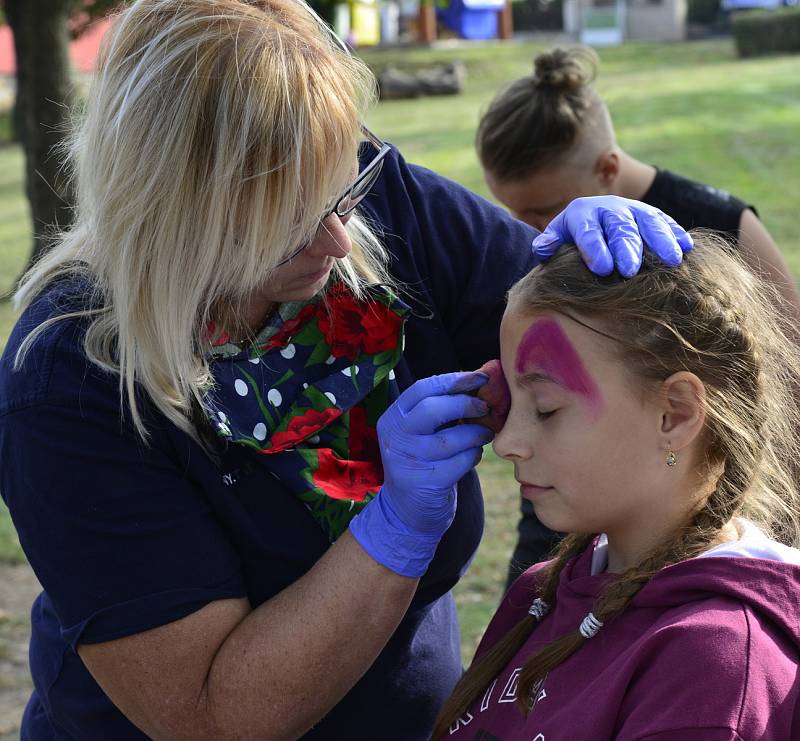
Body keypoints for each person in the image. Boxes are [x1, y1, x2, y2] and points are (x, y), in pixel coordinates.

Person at [0, 2, 691, 739]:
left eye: (341, 191)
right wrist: (392, 528)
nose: (336, 239)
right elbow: (213, 715)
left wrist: (622, 274)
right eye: (292, 218)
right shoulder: (71, 377)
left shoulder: (378, 201)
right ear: (178, 207)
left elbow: (601, 344)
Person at [431, 234, 800, 740]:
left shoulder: (712, 666)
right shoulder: (543, 590)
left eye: (545, 409)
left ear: (676, 414)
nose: (509, 442)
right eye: (510, 403)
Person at [476, 46, 800, 582]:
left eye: (541, 210)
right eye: (511, 213)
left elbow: (785, 387)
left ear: (606, 169)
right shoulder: (545, 250)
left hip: (695, 525)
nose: (529, 231)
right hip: (563, 523)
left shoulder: (724, 223)